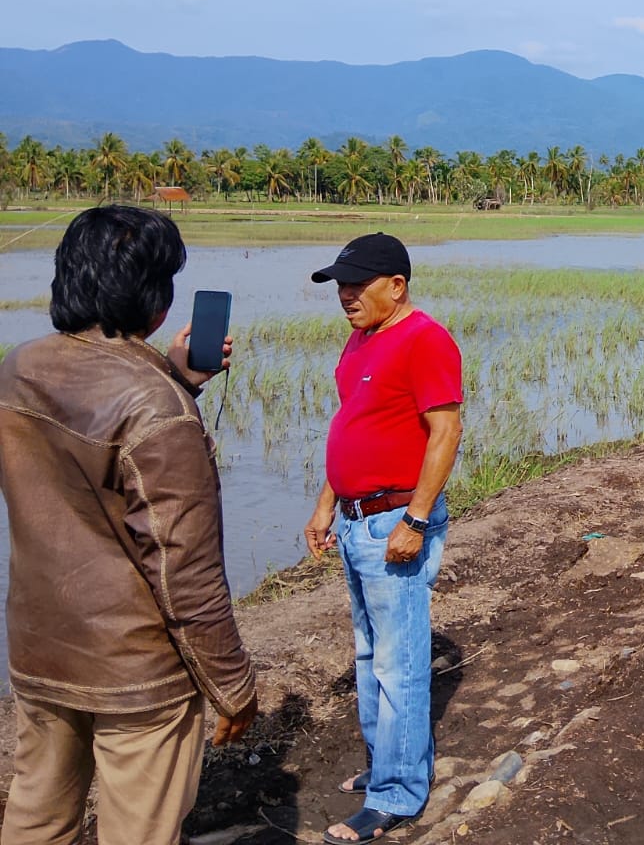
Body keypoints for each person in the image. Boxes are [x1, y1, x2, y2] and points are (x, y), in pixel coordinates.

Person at [0, 205, 256, 845]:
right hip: (135, 675)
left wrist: (171, 376)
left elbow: (82, 474)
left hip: (40, 649)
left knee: (36, 819)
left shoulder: (19, 367)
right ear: (157, 302)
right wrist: (234, 686)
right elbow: (186, 574)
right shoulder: (157, 410)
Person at [302, 233, 463, 844]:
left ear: (396, 285)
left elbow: (444, 433)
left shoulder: (425, 339)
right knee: (370, 655)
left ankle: (397, 794)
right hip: (355, 518)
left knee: (399, 662)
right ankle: (383, 767)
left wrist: (416, 520)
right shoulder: (363, 338)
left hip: (395, 521)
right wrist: (326, 505)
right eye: (339, 285)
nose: (345, 295)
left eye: (356, 284)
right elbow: (353, 423)